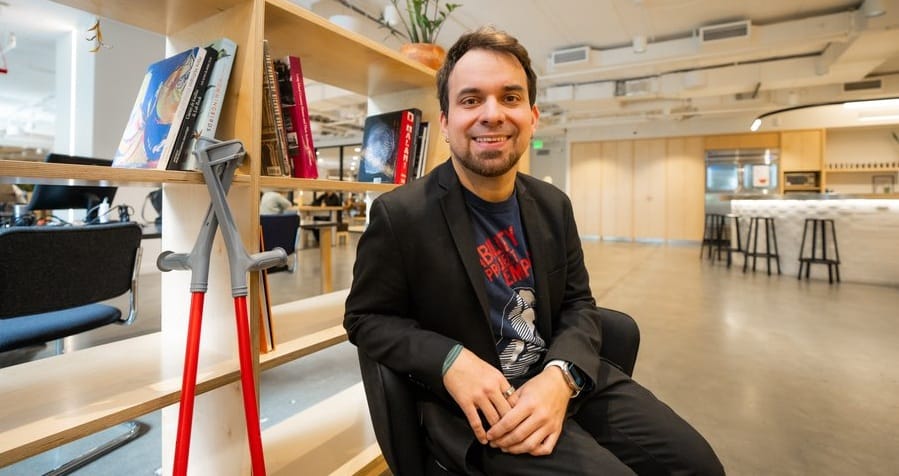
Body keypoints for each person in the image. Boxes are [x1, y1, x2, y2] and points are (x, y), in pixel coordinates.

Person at [344, 26, 725, 475]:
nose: (492, 114)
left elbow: (579, 304)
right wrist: (449, 360)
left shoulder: (552, 205)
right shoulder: (402, 214)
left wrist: (561, 375)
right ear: (445, 122)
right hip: (484, 409)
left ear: (533, 116)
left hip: (560, 378)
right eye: (471, 100)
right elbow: (366, 318)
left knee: (700, 466)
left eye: (510, 97)